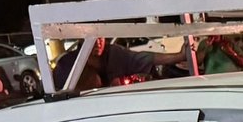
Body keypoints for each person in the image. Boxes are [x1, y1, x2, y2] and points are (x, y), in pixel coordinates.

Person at [52, 39, 183, 90]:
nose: (98, 42)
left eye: (100, 38)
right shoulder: (67, 63)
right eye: (92, 39)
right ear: (81, 40)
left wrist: (180, 56)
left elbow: (145, 58)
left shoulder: (115, 54)